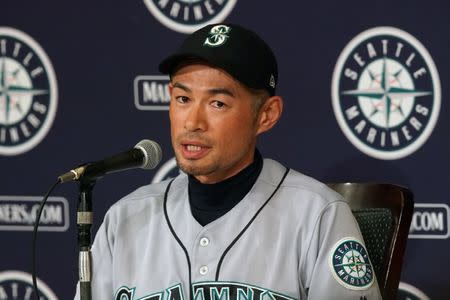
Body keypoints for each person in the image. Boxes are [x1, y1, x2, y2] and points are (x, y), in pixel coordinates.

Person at [75, 23, 381, 300]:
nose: (193, 122)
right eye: (183, 99)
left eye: (217, 103)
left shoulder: (317, 215)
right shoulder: (125, 219)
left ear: (266, 114)